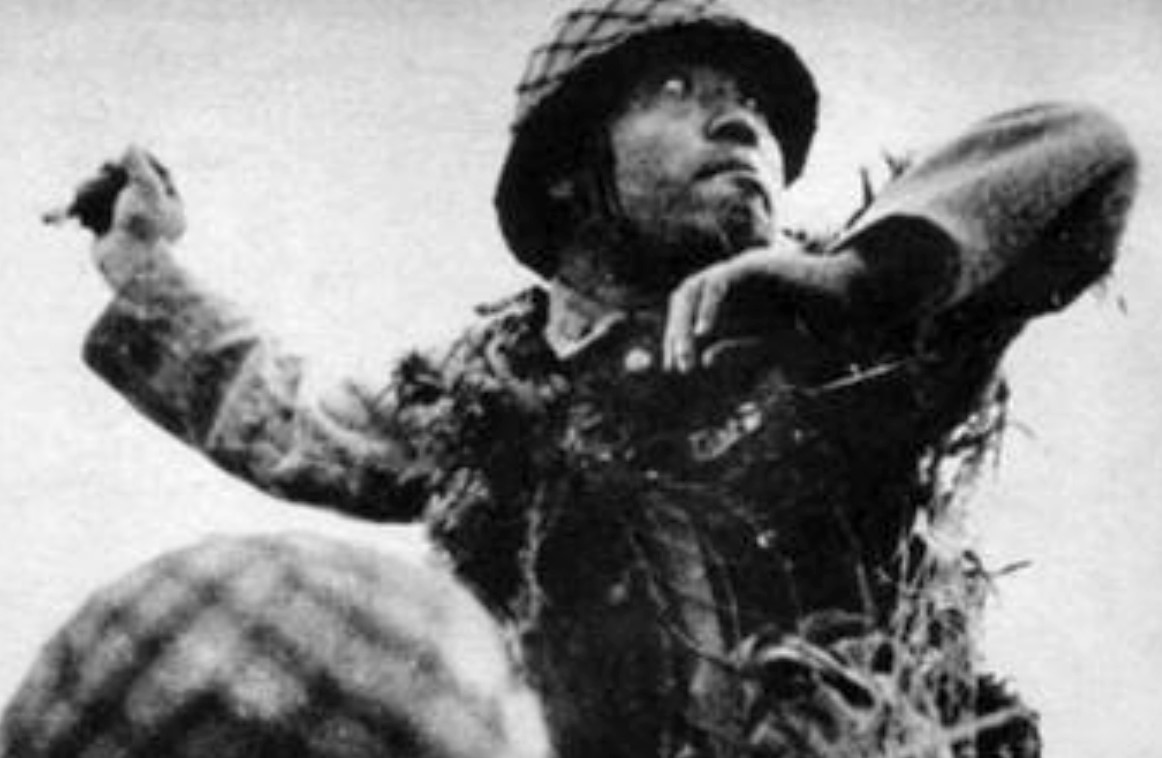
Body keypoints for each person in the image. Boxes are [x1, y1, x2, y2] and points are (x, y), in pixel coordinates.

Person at [6, 0, 1138, 756]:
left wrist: (858, 280)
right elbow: (299, 421)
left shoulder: (841, 332)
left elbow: (1083, 154)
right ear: (565, 173)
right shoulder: (488, 386)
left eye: (752, 107)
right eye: (680, 89)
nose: (738, 121)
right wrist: (144, 270)